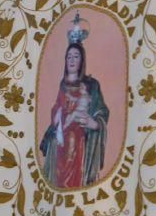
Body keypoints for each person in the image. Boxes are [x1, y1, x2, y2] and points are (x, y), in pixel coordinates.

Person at [40, 38, 109, 189]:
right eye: (69, 56)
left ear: (82, 60)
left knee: (72, 140)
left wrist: (94, 123)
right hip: (61, 137)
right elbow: (57, 108)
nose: (72, 60)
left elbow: (101, 111)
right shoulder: (63, 84)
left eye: (76, 56)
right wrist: (58, 116)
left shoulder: (91, 85)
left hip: (79, 139)